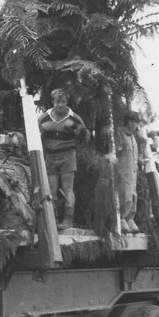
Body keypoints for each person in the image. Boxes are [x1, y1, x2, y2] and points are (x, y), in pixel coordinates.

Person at [38, 88, 91, 230]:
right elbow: (33, 134)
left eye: (63, 101)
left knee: (68, 188)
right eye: (57, 102)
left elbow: (87, 137)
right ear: (53, 102)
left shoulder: (74, 117)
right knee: (51, 189)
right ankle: (53, 219)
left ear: (66, 101)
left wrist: (74, 127)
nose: (60, 105)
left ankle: (68, 219)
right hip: (50, 156)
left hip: (68, 156)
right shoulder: (44, 117)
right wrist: (44, 129)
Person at [113, 109, 147, 233]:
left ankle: (130, 218)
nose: (134, 125)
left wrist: (141, 160)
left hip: (133, 170)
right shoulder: (120, 133)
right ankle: (121, 217)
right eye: (132, 121)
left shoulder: (134, 137)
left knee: (133, 195)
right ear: (127, 122)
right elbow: (115, 150)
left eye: (136, 122)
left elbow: (136, 154)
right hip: (123, 168)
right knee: (125, 194)